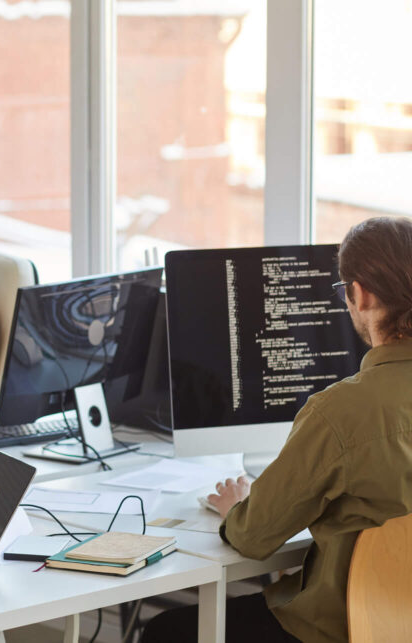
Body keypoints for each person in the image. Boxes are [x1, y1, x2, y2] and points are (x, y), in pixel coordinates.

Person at [141, 216, 412, 643]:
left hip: (347, 627)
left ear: (360, 293)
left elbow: (254, 537)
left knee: (164, 631)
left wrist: (236, 507)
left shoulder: (341, 411)